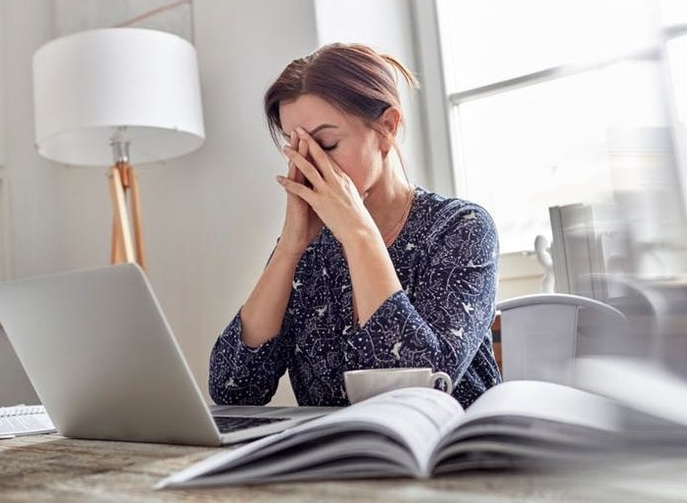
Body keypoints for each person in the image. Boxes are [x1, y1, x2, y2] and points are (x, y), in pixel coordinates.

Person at [209, 43, 501, 409]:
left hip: (448, 456)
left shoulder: (461, 229)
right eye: (295, 147)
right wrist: (288, 248)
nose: (310, 165)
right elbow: (233, 389)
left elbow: (419, 387)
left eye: (326, 144)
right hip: (339, 459)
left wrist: (359, 235)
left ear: (387, 127)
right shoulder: (308, 249)